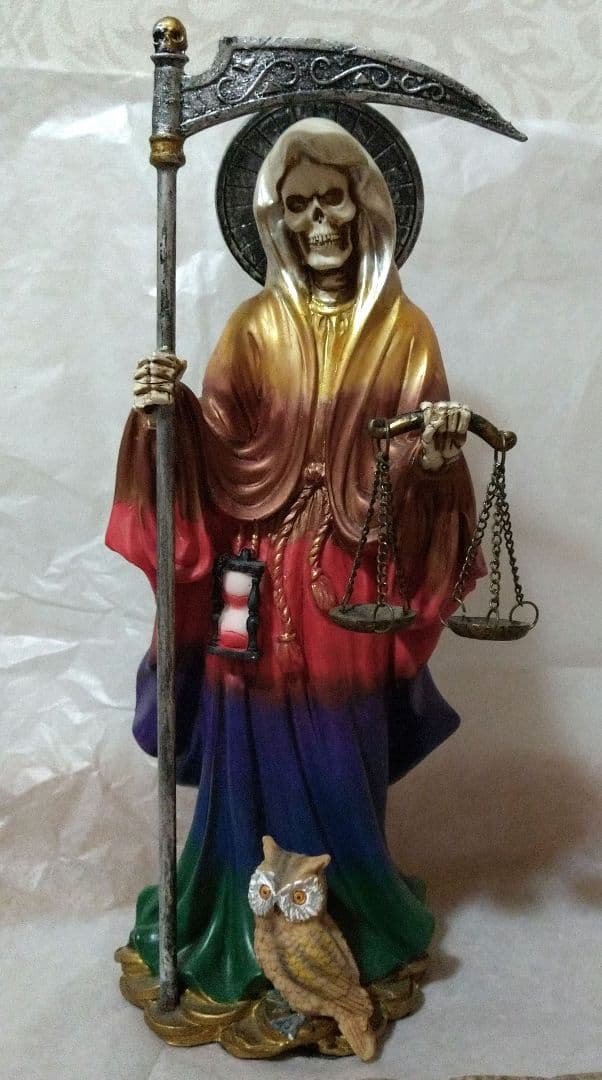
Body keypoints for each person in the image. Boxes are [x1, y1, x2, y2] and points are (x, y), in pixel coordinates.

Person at [106, 118, 479, 1008]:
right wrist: (166, 415)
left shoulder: (406, 332)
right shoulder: (252, 327)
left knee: (343, 738)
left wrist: (433, 456)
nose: (319, 223)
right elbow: (216, 452)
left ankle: (353, 912)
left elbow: (413, 468)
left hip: (349, 578)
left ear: (365, 208)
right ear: (276, 218)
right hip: (256, 571)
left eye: (333, 201)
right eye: (299, 205)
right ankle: (240, 915)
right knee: (249, 733)